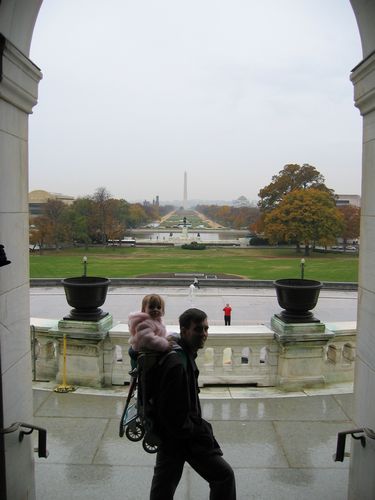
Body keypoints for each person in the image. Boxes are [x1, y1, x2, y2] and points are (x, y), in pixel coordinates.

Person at [149, 308, 236, 500]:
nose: (204, 334)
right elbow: (172, 412)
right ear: (184, 330)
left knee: (163, 487)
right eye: (198, 329)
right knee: (224, 476)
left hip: (170, 436)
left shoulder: (178, 352)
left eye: (206, 328)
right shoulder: (178, 364)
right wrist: (196, 432)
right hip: (182, 437)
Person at [128, 294, 170, 368]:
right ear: (144, 309)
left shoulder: (156, 320)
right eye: (151, 307)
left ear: (162, 310)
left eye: (159, 307)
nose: (155, 309)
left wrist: (169, 338)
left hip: (148, 352)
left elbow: (159, 334)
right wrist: (166, 344)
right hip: (142, 353)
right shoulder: (145, 322)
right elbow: (149, 340)